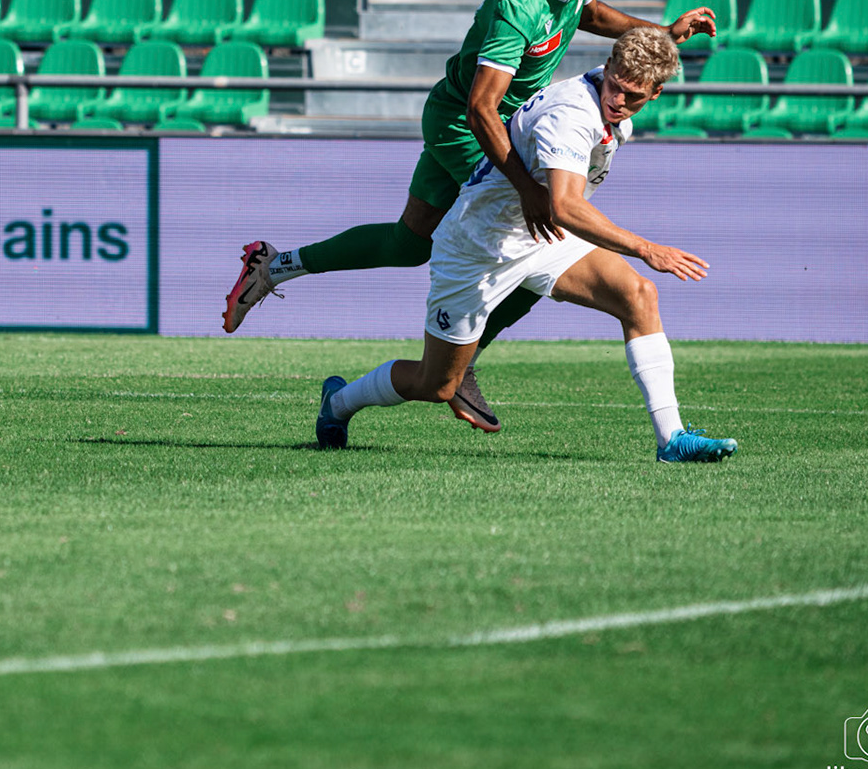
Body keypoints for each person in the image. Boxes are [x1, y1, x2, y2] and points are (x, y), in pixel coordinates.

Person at [224, 0, 719, 431]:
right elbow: (484, 108)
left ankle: (275, 265)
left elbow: (592, 13)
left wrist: (657, 35)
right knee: (535, 234)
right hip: (469, 125)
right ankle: (465, 363)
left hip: (478, 121)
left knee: (405, 244)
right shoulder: (518, 6)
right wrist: (528, 188)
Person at [314, 27, 738, 464]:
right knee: (435, 384)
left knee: (638, 295)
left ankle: (671, 439)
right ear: (606, 68)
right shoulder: (572, 115)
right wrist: (647, 249)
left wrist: (667, 36)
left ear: (657, 92)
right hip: (478, 249)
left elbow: (638, 52)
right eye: (615, 87)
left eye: (634, 96)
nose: (618, 101)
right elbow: (566, 208)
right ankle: (340, 402)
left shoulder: (614, 91)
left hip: (539, 237)